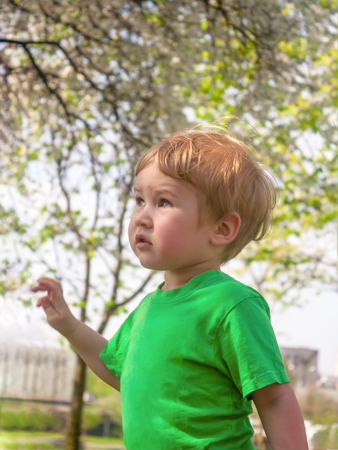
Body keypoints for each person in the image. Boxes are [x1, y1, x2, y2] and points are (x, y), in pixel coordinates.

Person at [31, 125, 309, 450]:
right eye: (139, 200)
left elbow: (274, 398)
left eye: (163, 202)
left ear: (221, 228)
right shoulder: (150, 307)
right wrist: (69, 326)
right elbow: (120, 371)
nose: (141, 218)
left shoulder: (231, 304)